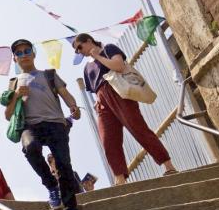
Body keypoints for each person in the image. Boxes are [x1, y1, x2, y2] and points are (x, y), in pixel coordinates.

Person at [74, 33, 177, 184]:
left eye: (79, 47)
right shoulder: (86, 68)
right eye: (76, 50)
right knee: (108, 140)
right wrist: (98, 101)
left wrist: (98, 56)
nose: (79, 51)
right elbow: (95, 88)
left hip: (118, 91)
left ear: (88, 41)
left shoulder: (108, 49)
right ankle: (120, 178)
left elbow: (119, 66)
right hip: (102, 101)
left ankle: (168, 165)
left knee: (138, 128)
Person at [3, 39, 81, 210]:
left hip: (55, 123)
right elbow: (8, 115)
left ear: (33, 53)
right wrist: (15, 96)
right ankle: (51, 186)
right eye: (19, 53)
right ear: (15, 59)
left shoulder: (49, 74)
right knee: (30, 148)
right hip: (30, 125)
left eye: (27, 50)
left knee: (63, 165)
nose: (24, 55)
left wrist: (73, 107)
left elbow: (65, 95)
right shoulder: (13, 83)